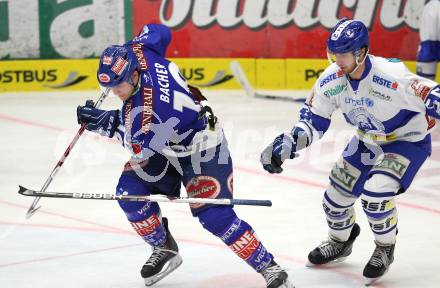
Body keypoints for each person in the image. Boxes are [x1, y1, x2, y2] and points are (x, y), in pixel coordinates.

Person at [77, 23, 294, 288]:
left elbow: (140, 147)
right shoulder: (138, 50)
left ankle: (269, 268)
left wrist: (106, 122)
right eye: (111, 86)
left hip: (202, 148)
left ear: (134, 74)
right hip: (168, 141)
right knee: (129, 193)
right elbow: (158, 30)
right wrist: (128, 51)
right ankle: (164, 247)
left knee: (215, 217)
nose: (115, 92)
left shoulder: (150, 109)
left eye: (119, 85)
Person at [261, 18, 440, 285]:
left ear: (362, 52)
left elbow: (430, 92)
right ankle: (339, 242)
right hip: (367, 139)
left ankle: (384, 247)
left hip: (407, 140)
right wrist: (288, 143)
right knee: (334, 199)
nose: (337, 60)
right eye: (333, 54)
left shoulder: (390, 77)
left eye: (343, 54)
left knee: (376, 195)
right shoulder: (331, 79)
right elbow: (313, 120)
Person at [416, 0, 440, 80]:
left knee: (424, 85)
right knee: (425, 85)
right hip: (428, 46)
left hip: (427, 47)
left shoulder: (429, 6)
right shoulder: (432, 6)